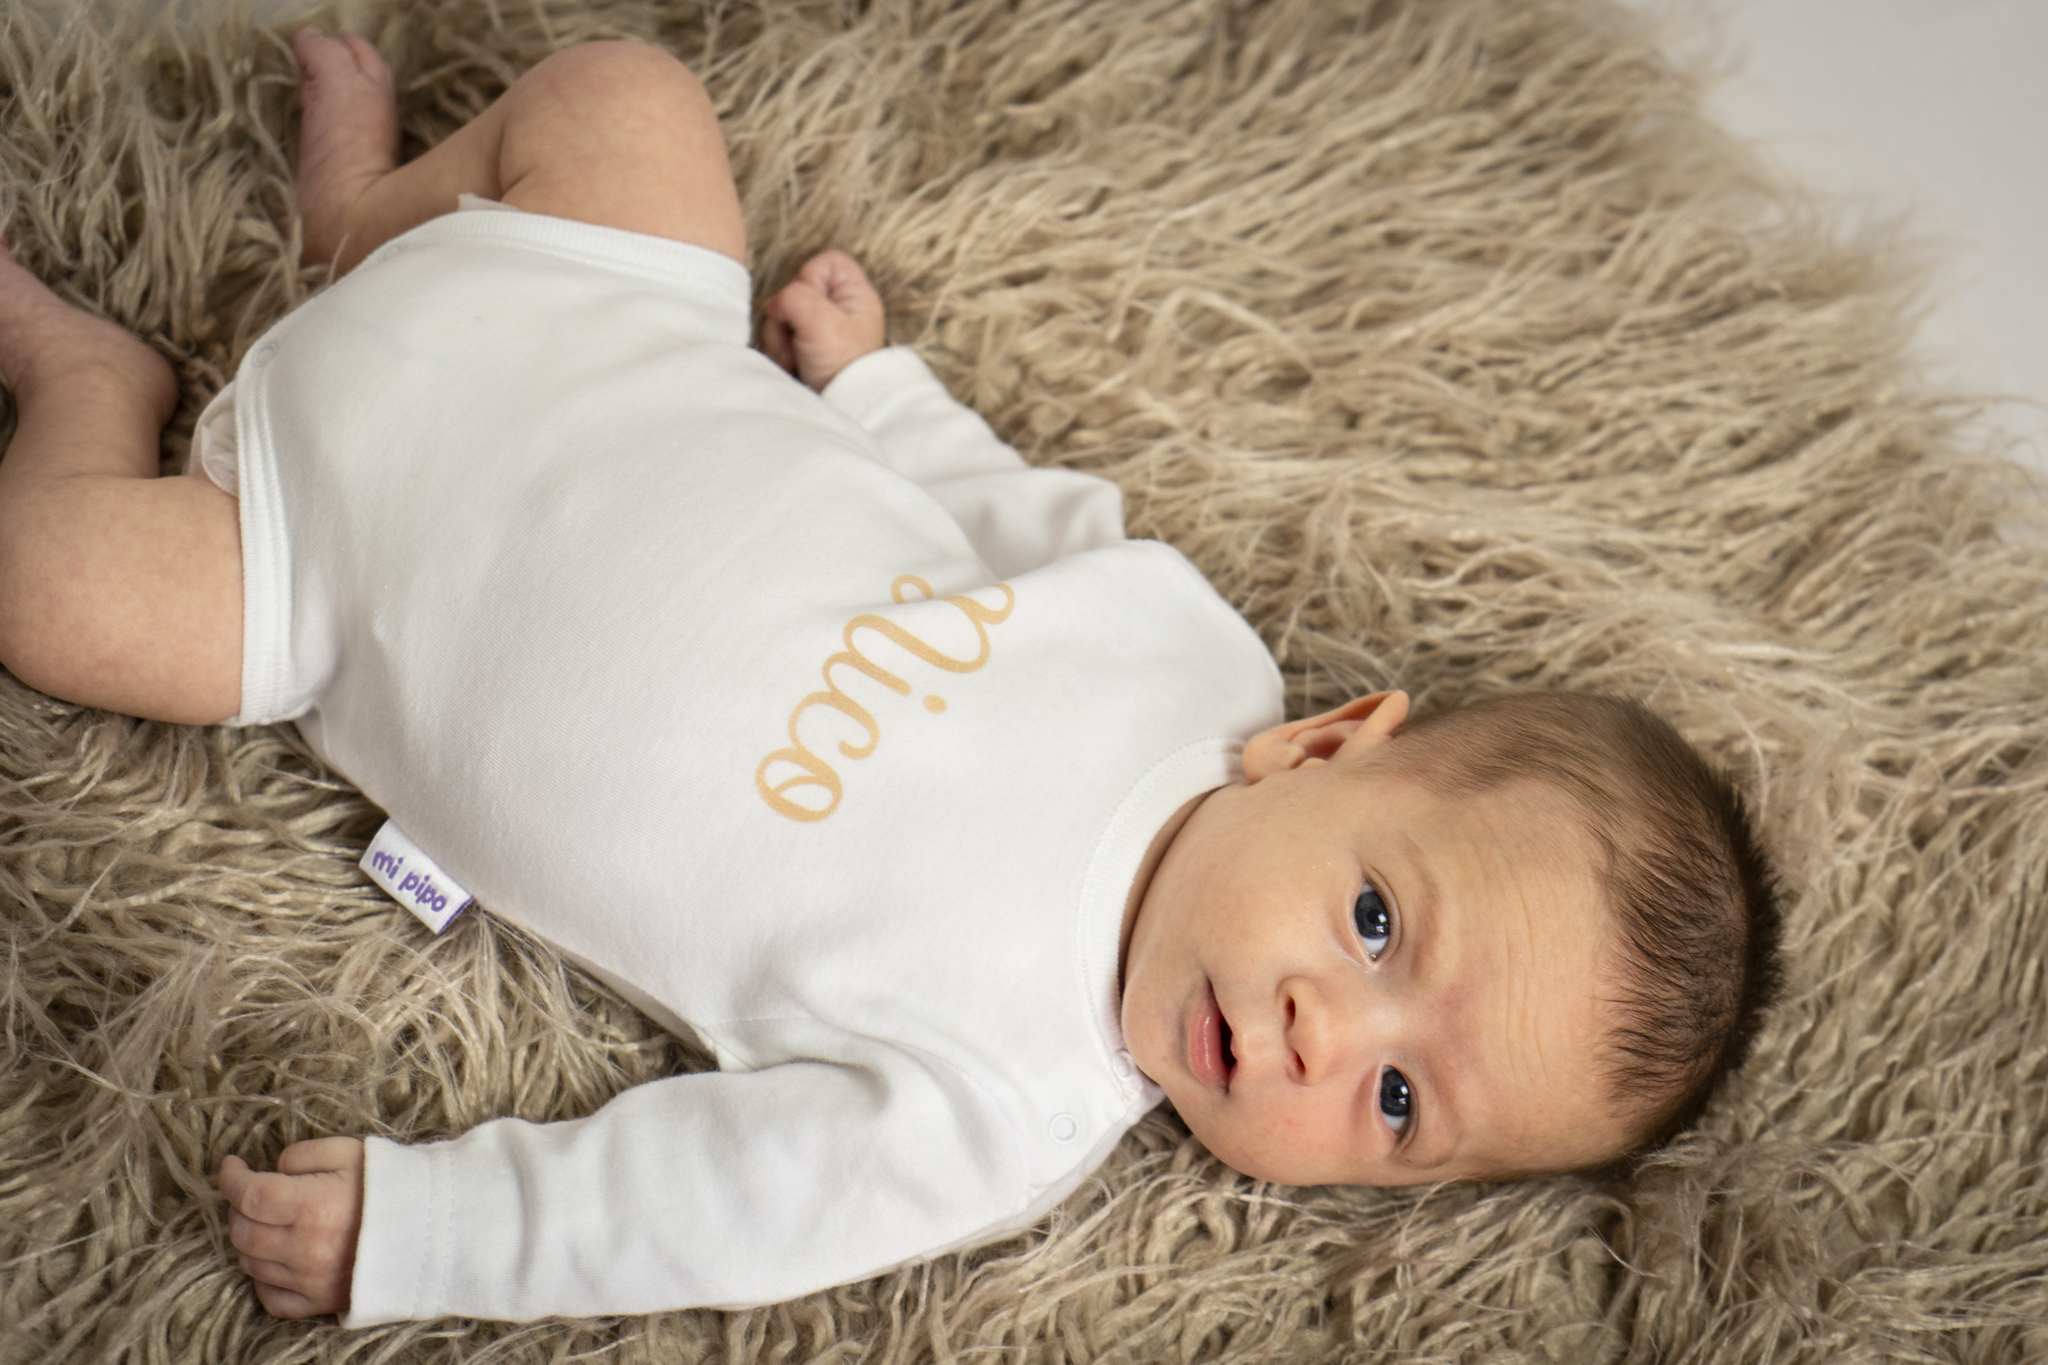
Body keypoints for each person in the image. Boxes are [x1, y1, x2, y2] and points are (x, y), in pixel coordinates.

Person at [0, 31, 1782, 1326]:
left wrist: (436, 1234)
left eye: (1398, 1105)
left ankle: (93, 390)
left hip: (334, 577)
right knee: (627, 102)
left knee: (53, 586)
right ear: (1325, 746)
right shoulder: (1197, 662)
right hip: (600, 329)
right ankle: (366, 221)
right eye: (1380, 923)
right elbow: (1016, 511)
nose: (1331, 1032)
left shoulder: (996, 1106)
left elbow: (703, 1200)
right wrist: (879, 389)